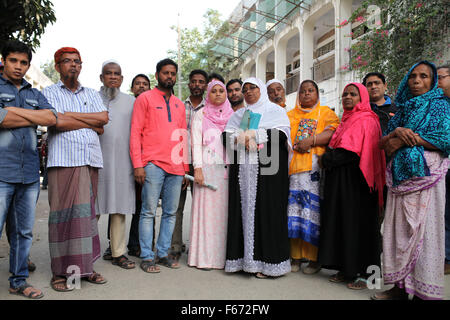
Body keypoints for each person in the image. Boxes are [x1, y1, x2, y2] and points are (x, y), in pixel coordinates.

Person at [373, 61, 450, 300]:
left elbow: (445, 139)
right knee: (397, 232)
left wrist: (413, 138)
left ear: (433, 80)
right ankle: (398, 289)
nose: (417, 81)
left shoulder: (441, 106)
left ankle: (422, 293)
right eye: (413, 76)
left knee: (425, 235)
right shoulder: (404, 108)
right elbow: (383, 143)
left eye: (424, 76)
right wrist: (396, 133)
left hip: (427, 178)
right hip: (399, 179)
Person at [42, 47, 109, 292]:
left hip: (89, 160)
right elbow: (54, 121)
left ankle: (86, 268)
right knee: (63, 218)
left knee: (87, 216)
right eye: (67, 61)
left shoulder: (91, 93)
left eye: (77, 62)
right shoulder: (47, 92)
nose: (73, 65)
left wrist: (70, 116)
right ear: (57, 66)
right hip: (63, 161)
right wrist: (86, 120)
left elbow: (102, 120)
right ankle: (61, 272)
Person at [0, 40, 57, 299]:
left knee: (24, 231)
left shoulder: (34, 93)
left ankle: (19, 281)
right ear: (3, 60)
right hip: (2, 173)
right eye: (14, 60)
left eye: (24, 63)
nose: (19, 67)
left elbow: (51, 117)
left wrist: (10, 111)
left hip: (30, 174)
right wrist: (30, 115)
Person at [318, 82, 386, 290]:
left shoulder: (367, 119)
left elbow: (349, 151)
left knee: (361, 227)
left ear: (362, 98)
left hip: (359, 183)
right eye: (345, 94)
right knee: (343, 222)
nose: (347, 97)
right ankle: (346, 269)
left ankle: (368, 276)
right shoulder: (346, 120)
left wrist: (327, 158)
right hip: (342, 181)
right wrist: (329, 157)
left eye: (353, 94)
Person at [223, 77, 292, 278]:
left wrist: (254, 135)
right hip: (244, 173)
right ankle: (245, 262)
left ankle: (270, 263)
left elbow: (281, 136)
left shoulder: (275, 111)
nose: (249, 92)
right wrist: (238, 137)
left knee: (268, 213)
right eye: (246, 89)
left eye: (254, 88)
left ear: (261, 89)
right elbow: (225, 136)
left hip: (268, 173)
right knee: (243, 213)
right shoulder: (241, 114)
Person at [130, 58, 189, 273]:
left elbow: (183, 136)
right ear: (157, 75)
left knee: (170, 212)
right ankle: (147, 256)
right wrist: (138, 164)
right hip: (152, 164)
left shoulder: (179, 104)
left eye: (173, 73)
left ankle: (162, 253)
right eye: (166, 73)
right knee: (148, 212)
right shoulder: (144, 99)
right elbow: (135, 133)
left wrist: (185, 168)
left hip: (175, 167)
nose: (170, 77)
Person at [287, 80, 339, 274]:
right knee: (295, 211)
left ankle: (315, 258)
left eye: (311, 91)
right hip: (293, 171)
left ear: (317, 94)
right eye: (303, 91)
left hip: (315, 171)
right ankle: (296, 257)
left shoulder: (326, 113)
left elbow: (332, 133)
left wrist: (310, 141)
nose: (307, 94)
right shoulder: (289, 115)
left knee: (313, 213)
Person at [187, 80, 234, 270]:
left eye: (221, 91)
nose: (217, 94)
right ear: (208, 94)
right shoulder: (201, 114)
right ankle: (205, 258)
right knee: (206, 213)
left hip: (227, 169)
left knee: (225, 214)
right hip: (206, 168)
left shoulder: (234, 115)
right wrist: (197, 168)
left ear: (226, 94)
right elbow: (195, 143)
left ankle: (224, 257)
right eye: (213, 91)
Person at [95, 60, 136, 270]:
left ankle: (118, 252)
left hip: (122, 162)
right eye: (108, 73)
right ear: (101, 77)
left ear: (121, 78)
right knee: (92, 208)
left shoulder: (131, 102)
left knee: (119, 207)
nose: (113, 77)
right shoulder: (90, 98)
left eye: (117, 74)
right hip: (95, 161)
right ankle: (88, 251)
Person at [169, 69, 208, 262]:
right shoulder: (178, 105)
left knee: (203, 207)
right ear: (189, 84)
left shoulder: (210, 108)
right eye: (194, 81)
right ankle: (175, 246)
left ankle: (200, 246)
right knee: (177, 206)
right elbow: (176, 135)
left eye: (201, 82)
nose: (197, 85)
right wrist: (180, 166)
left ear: (206, 86)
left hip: (204, 164)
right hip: (181, 162)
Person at [127, 74, 152, 259]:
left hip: (146, 162)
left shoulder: (151, 107)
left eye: (145, 84)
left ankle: (139, 244)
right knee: (118, 206)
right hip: (125, 161)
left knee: (143, 205)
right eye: (138, 84)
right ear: (132, 87)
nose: (141, 86)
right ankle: (114, 246)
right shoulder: (127, 105)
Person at [437, 65, 450, 275]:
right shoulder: (438, 106)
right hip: (443, 166)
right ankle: (446, 257)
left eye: (441, 78)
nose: (438, 82)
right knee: (445, 213)